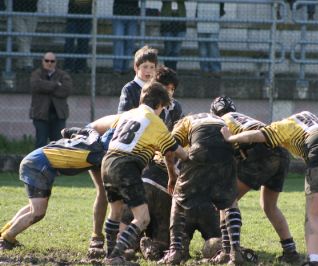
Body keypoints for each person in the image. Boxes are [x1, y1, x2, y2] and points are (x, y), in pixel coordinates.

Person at [221, 111, 318, 266]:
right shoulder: (314, 120)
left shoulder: (285, 126)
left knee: (313, 213)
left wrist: (230, 138)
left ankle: (314, 261)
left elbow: (256, 135)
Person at [101, 82, 188, 265]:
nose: (161, 112)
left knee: (115, 212)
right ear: (159, 105)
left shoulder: (128, 114)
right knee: (143, 218)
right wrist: (191, 157)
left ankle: (110, 254)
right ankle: (114, 256)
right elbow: (173, 150)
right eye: (162, 108)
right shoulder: (155, 121)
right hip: (126, 166)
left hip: (107, 162)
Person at [210, 96, 300, 264]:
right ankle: (290, 251)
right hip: (281, 151)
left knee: (226, 198)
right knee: (269, 206)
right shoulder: (241, 117)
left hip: (260, 150)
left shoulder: (219, 123)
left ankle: (229, 250)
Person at [0, 127, 107, 251]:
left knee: (32, 208)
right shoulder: (98, 150)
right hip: (37, 165)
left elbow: (65, 131)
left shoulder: (91, 140)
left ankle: (3, 233)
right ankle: (6, 239)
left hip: (36, 161)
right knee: (37, 212)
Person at [159, 112, 243, 265]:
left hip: (200, 146)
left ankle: (175, 251)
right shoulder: (220, 120)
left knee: (177, 199)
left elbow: (169, 146)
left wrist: (172, 176)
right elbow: (236, 147)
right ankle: (233, 251)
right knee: (230, 202)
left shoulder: (185, 122)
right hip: (226, 151)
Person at [30, 52, 72, 148]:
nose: (49, 63)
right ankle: (39, 163)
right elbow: (36, 86)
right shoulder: (36, 74)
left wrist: (46, 87)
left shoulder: (63, 75)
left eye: (52, 61)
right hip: (40, 114)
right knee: (40, 144)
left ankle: (56, 163)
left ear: (56, 62)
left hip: (58, 115)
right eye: (47, 61)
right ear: (42, 61)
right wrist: (56, 84)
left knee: (59, 144)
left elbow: (66, 90)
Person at [117, 45, 158, 113]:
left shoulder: (157, 89)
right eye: (145, 67)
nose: (148, 71)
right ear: (136, 67)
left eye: (152, 67)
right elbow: (122, 114)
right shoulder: (129, 89)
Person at [64, 0, 92, 73]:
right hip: (72, 15)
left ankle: (81, 66)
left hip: (86, 16)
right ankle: (68, 66)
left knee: (83, 42)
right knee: (69, 42)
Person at [112, 0, 139, 75]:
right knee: (118, 41)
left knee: (130, 42)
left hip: (133, 12)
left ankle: (125, 68)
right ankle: (118, 68)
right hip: (119, 12)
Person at [160, 0, 187, 71]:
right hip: (167, 21)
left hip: (180, 20)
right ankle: (167, 69)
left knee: (176, 49)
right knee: (168, 47)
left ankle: (173, 69)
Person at [196, 2, 222, 75]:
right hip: (201, 23)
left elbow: (222, 8)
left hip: (213, 22)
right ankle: (205, 70)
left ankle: (215, 70)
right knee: (203, 49)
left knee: (212, 47)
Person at [12, 0, 38, 70]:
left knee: (28, 39)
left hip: (32, 11)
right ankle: (28, 62)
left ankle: (20, 62)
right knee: (22, 38)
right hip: (17, 11)